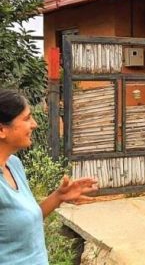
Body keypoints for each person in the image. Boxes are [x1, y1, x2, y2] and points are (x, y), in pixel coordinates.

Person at [0, 89, 97, 264]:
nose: (34, 124)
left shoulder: (13, 164)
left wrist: (59, 196)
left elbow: (26, 221)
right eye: (27, 118)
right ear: (2, 130)